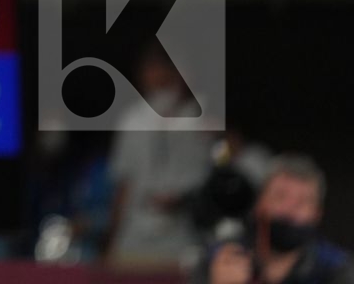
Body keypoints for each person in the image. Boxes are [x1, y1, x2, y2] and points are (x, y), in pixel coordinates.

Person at [105, 45, 217, 269]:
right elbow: (123, 186)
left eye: (167, 72)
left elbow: (217, 170)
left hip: (182, 240)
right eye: (151, 70)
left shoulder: (201, 119)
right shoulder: (131, 120)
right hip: (134, 238)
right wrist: (112, 239)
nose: (158, 78)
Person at [201, 155, 354, 284]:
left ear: (317, 214)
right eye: (280, 196)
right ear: (259, 203)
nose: (290, 209)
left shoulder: (337, 269)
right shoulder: (220, 259)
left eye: (303, 201)